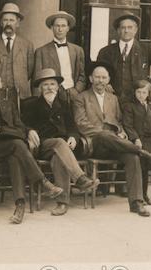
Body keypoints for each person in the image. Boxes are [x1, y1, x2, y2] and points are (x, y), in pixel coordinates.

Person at [0, 72, 65, 224]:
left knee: (15, 157)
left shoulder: (8, 103)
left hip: (10, 145)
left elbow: (19, 126)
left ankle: (20, 206)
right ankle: (42, 182)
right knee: (18, 145)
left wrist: (28, 131)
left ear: (1, 85)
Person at [73, 61, 151, 217]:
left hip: (115, 145)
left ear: (108, 80)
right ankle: (144, 153)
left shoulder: (113, 98)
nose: (100, 80)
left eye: (104, 77)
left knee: (132, 157)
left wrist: (121, 132)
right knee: (104, 134)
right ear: (91, 78)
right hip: (94, 144)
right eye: (97, 77)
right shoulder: (81, 98)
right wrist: (103, 132)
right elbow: (81, 124)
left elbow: (119, 121)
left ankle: (136, 203)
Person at [20, 68, 100, 216]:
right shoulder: (31, 105)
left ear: (57, 87)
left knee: (59, 157)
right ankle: (80, 178)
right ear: (40, 88)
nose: (49, 87)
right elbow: (22, 124)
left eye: (52, 84)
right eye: (45, 85)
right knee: (58, 143)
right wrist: (29, 130)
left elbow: (72, 127)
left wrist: (73, 137)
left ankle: (62, 203)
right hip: (42, 145)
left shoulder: (64, 104)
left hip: (62, 148)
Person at [96, 12, 151, 103]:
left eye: (130, 27)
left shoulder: (146, 49)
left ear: (135, 30)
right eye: (123, 27)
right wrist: (105, 84)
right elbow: (98, 72)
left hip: (138, 101)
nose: (126, 30)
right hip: (112, 100)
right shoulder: (106, 52)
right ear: (118, 30)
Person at [0, 2, 35, 104]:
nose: (8, 23)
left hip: (20, 95)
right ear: (1, 23)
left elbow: (29, 71)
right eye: (5, 20)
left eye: (12, 20)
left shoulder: (27, 45)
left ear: (18, 23)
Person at [34, 11, 86, 100]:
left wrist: (77, 91)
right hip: (51, 96)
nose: (60, 29)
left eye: (63, 26)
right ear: (52, 28)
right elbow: (37, 79)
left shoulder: (77, 50)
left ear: (68, 28)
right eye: (57, 26)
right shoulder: (41, 51)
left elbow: (82, 75)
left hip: (73, 96)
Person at [122, 80, 151, 205]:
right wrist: (135, 138)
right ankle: (141, 196)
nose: (141, 95)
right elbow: (128, 125)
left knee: (149, 169)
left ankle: (146, 194)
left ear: (148, 93)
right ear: (134, 92)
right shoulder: (130, 106)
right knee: (141, 169)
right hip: (139, 141)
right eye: (138, 92)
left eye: (144, 92)